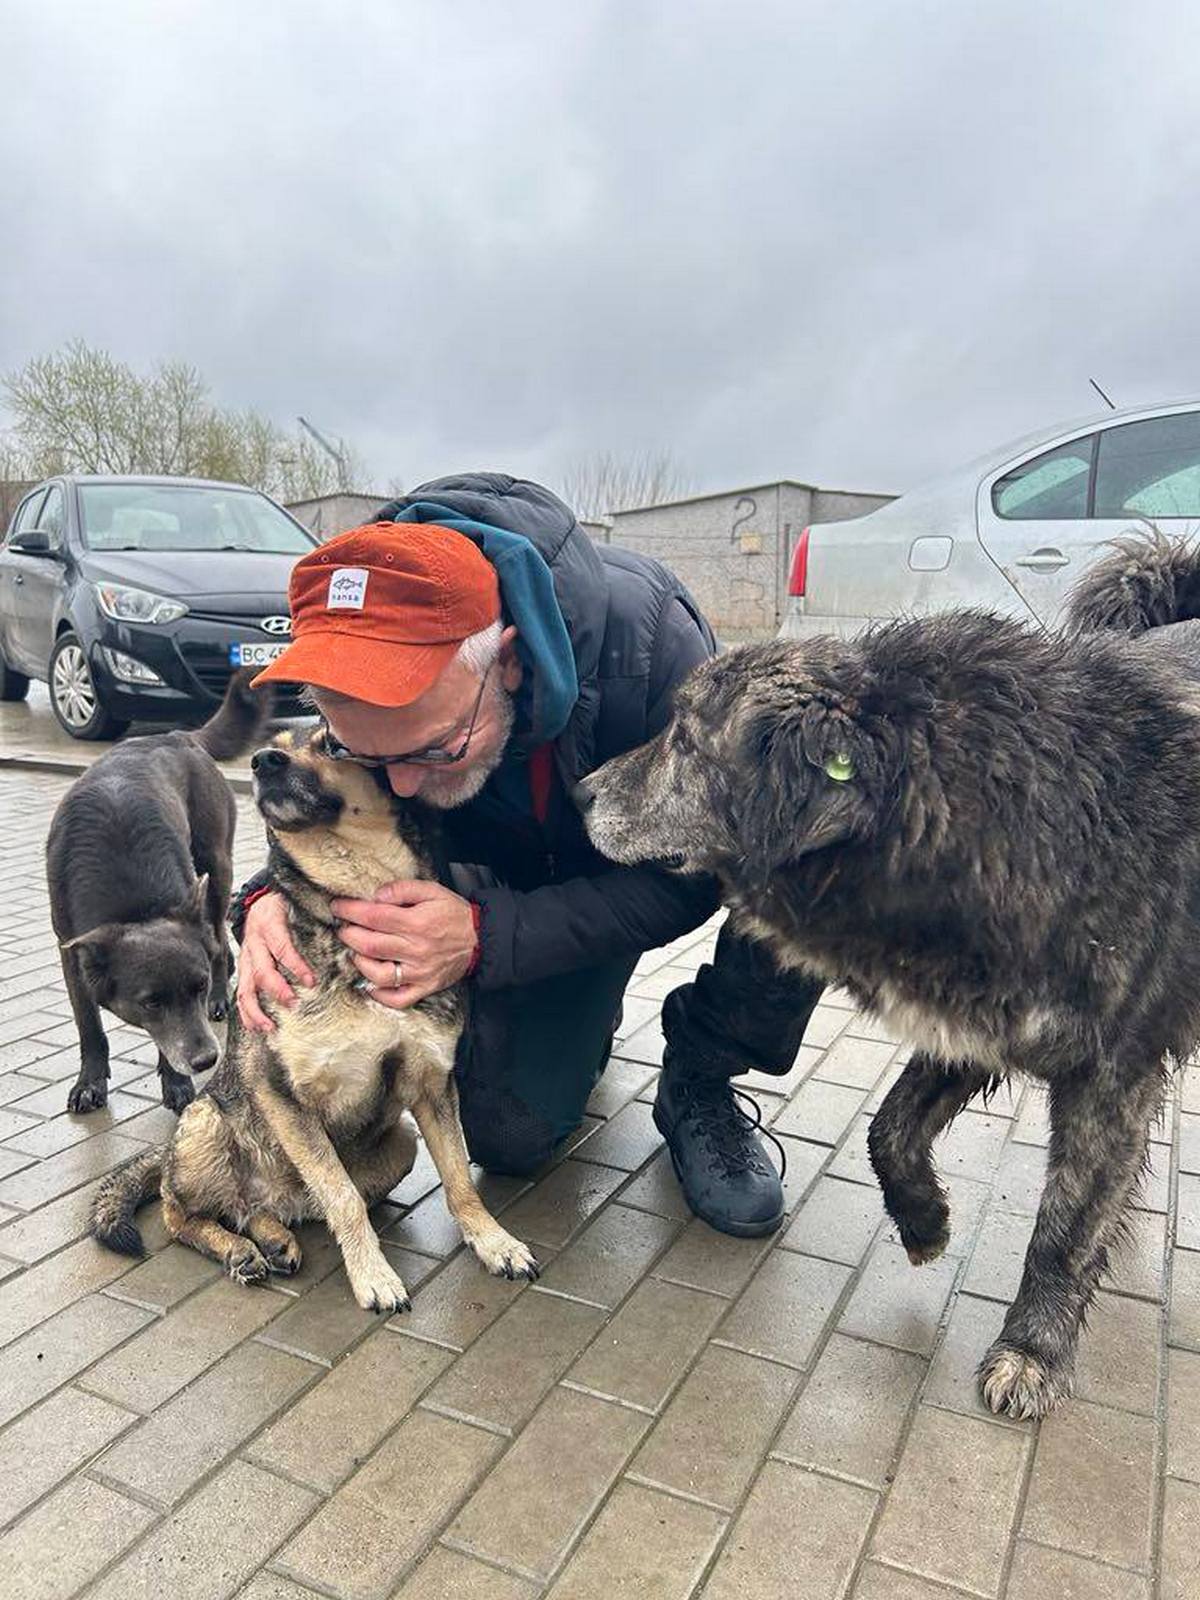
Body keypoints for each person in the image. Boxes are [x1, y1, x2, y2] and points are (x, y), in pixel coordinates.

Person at [231, 474, 823, 1237]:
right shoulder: (387, 629)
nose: (403, 784)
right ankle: (577, 1020)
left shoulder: (652, 652)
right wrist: (263, 899)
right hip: (498, 897)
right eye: (367, 753)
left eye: (436, 747)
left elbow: (694, 882)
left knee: (805, 856)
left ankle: (701, 1075)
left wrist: (484, 937)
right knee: (510, 1138)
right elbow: (340, 803)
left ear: (505, 661)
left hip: (626, 878)